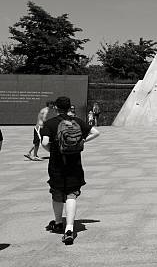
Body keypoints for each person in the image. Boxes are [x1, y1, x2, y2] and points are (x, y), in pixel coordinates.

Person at [40, 96, 100, 245]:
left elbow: (45, 142)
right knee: (71, 194)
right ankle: (69, 229)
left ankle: (58, 222)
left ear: (56, 108)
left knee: (57, 193)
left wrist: (53, 150)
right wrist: (82, 141)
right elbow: (96, 132)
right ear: (69, 107)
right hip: (74, 164)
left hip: (56, 165)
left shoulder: (50, 123)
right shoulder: (77, 122)